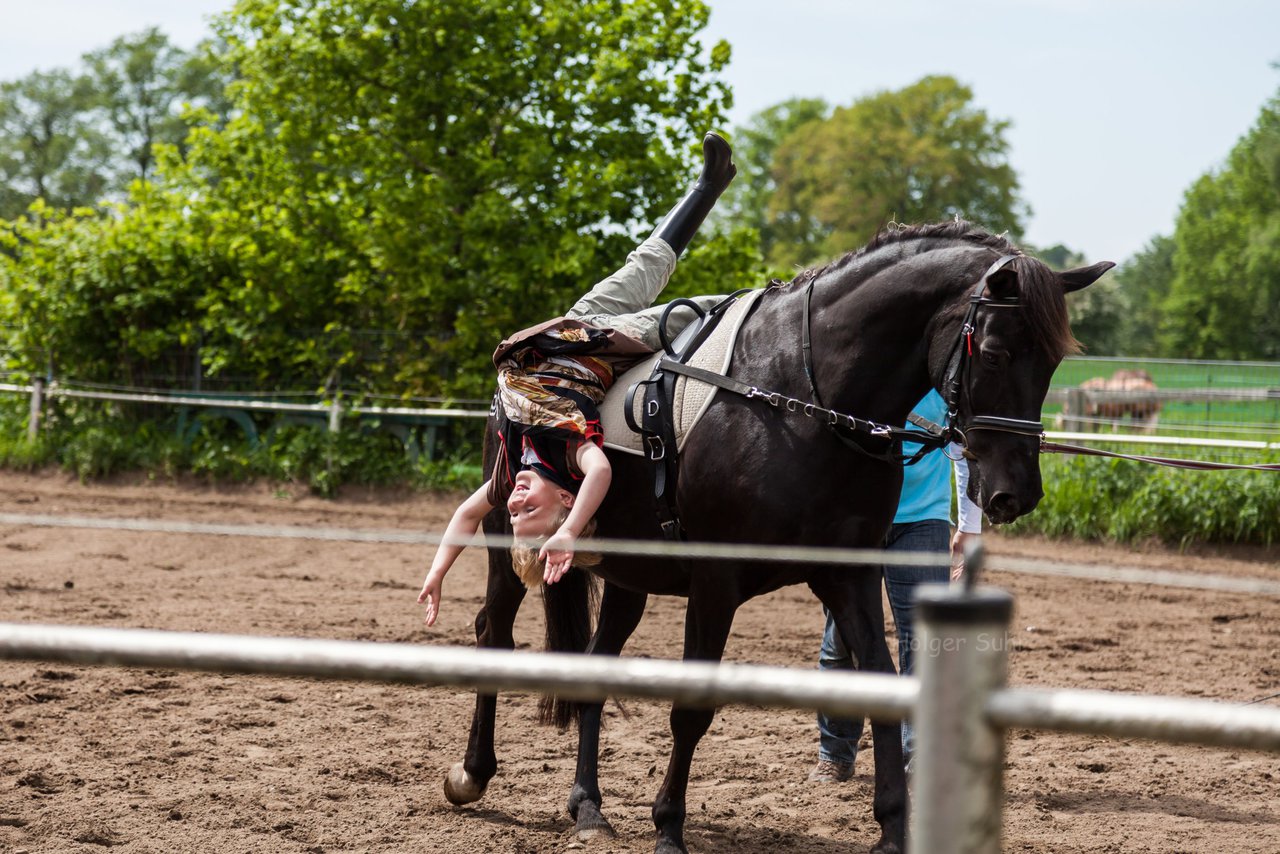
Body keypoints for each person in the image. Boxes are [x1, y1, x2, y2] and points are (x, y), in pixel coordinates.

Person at [417, 133, 736, 627]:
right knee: (713, 310)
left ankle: (708, 186)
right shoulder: (572, 458)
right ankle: (774, 296)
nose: (517, 504)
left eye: (515, 516)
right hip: (607, 346)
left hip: (568, 328)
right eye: (529, 514)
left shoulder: (507, 480)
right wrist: (568, 532)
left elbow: (465, 515)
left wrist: (437, 571)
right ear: (566, 501)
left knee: (645, 264)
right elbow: (602, 473)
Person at [809, 388, 982, 782]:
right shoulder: (861, 372)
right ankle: (834, 752)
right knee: (842, 642)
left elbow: (966, 452)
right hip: (854, 520)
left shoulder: (944, 389)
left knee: (923, 642)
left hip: (923, 518)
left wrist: (969, 526)